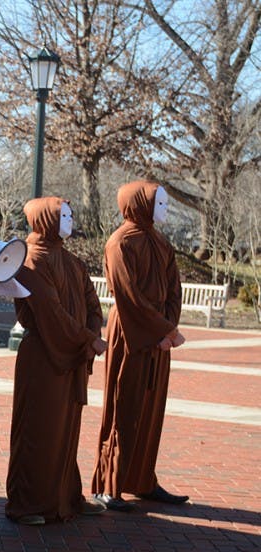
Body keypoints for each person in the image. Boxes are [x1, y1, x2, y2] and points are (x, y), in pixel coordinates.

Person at [5, 197, 107, 525]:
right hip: (44, 358)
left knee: (65, 430)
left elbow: (93, 304)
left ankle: (66, 497)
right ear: (45, 218)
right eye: (62, 214)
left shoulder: (72, 261)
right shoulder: (31, 259)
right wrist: (88, 339)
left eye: (70, 214)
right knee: (39, 429)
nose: (69, 219)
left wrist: (90, 335)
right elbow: (51, 313)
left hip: (73, 356)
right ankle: (29, 504)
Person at [91, 180, 188, 511]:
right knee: (124, 405)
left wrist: (169, 329)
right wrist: (164, 331)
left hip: (158, 338)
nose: (164, 210)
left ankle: (142, 479)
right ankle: (109, 485)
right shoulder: (120, 243)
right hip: (131, 334)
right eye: (158, 204)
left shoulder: (160, 243)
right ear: (139, 205)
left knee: (151, 409)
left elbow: (174, 289)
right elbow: (128, 296)